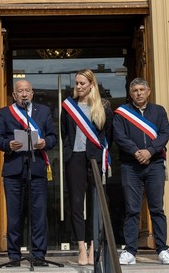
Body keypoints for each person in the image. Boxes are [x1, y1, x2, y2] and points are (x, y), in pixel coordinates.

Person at [0, 80, 57, 267]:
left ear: (32, 93)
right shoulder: (5, 113)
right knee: (14, 215)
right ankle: (14, 255)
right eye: (20, 91)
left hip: (36, 170)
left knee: (38, 214)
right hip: (13, 170)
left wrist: (45, 142)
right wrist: (8, 145)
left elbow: (53, 136)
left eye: (27, 91)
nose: (24, 94)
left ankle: (38, 254)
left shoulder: (43, 111)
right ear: (14, 95)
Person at [113, 77, 169, 265]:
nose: (139, 93)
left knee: (156, 208)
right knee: (132, 209)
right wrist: (135, 151)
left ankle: (162, 249)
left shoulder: (158, 111)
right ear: (130, 94)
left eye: (142, 89)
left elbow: (165, 133)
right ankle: (130, 251)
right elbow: (119, 136)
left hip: (154, 164)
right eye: (135, 90)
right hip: (130, 166)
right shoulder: (122, 114)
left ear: (148, 91)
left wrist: (150, 151)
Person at [61, 69, 113, 266]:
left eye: (83, 83)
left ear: (92, 84)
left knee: (96, 204)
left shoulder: (104, 106)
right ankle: (81, 248)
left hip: (95, 159)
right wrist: (68, 152)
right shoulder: (68, 106)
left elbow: (109, 134)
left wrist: (102, 155)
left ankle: (93, 247)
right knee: (76, 203)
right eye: (77, 83)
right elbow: (64, 132)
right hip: (74, 158)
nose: (79, 86)